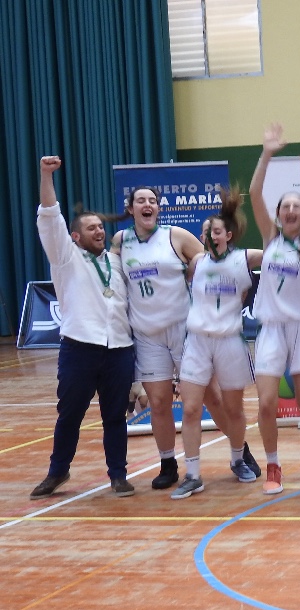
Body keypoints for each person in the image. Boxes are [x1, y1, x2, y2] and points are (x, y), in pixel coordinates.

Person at [112, 185, 255, 489]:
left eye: (153, 200)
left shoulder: (176, 236)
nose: (147, 204)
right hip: (146, 333)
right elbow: (109, 276)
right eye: (141, 200)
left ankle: (241, 452)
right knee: (159, 402)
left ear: (158, 208)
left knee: (212, 398)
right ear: (131, 208)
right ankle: (168, 464)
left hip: (185, 329)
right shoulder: (121, 241)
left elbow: (214, 265)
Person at [30, 156, 135, 499]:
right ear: (75, 236)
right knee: (70, 415)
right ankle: (57, 472)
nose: (99, 231)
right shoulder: (66, 258)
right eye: (91, 228)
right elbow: (50, 216)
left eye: (101, 227)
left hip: (118, 349)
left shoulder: (118, 262)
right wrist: (47, 175)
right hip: (79, 349)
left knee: (115, 417)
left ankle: (118, 476)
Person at [248, 125, 300, 495]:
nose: (293, 210)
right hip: (270, 329)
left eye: (297, 207)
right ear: (278, 216)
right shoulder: (271, 239)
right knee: (266, 403)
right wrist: (267, 154)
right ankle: (274, 465)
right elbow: (253, 193)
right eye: (286, 207)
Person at [171, 189, 263, 499]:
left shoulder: (244, 258)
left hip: (230, 342)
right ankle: (193, 474)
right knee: (192, 408)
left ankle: (238, 458)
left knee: (234, 409)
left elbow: (280, 251)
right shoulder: (195, 262)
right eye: (206, 231)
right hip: (197, 341)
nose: (210, 235)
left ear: (228, 235)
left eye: (216, 231)